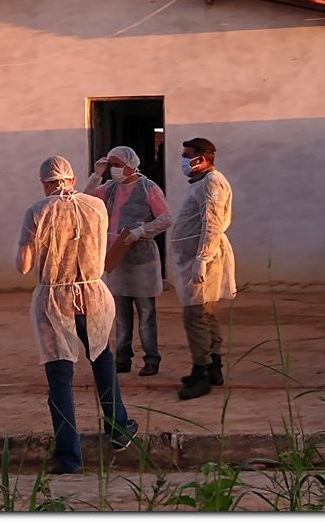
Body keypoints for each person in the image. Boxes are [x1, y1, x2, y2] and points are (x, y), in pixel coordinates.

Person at [15, 155, 139, 474]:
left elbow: (23, 264)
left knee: (60, 375)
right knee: (103, 359)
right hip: (94, 295)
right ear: (70, 179)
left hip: (55, 298)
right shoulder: (95, 206)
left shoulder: (37, 210)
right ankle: (118, 429)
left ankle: (68, 458)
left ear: (45, 182)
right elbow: (85, 217)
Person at [85, 146, 172, 376]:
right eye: (111, 165)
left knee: (146, 313)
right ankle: (123, 358)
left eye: (117, 165)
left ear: (131, 165)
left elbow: (165, 218)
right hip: (117, 258)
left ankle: (151, 359)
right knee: (121, 314)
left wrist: (141, 231)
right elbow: (85, 201)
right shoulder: (111, 188)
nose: (114, 170)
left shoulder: (148, 187)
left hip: (141, 257)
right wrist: (97, 175)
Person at [170, 137, 236, 400]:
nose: (183, 160)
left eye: (187, 155)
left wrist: (202, 258)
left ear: (202, 158)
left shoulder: (212, 183)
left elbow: (212, 223)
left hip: (203, 260)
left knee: (195, 317)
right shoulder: (201, 183)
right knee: (205, 315)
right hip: (195, 259)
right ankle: (213, 369)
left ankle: (202, 372)